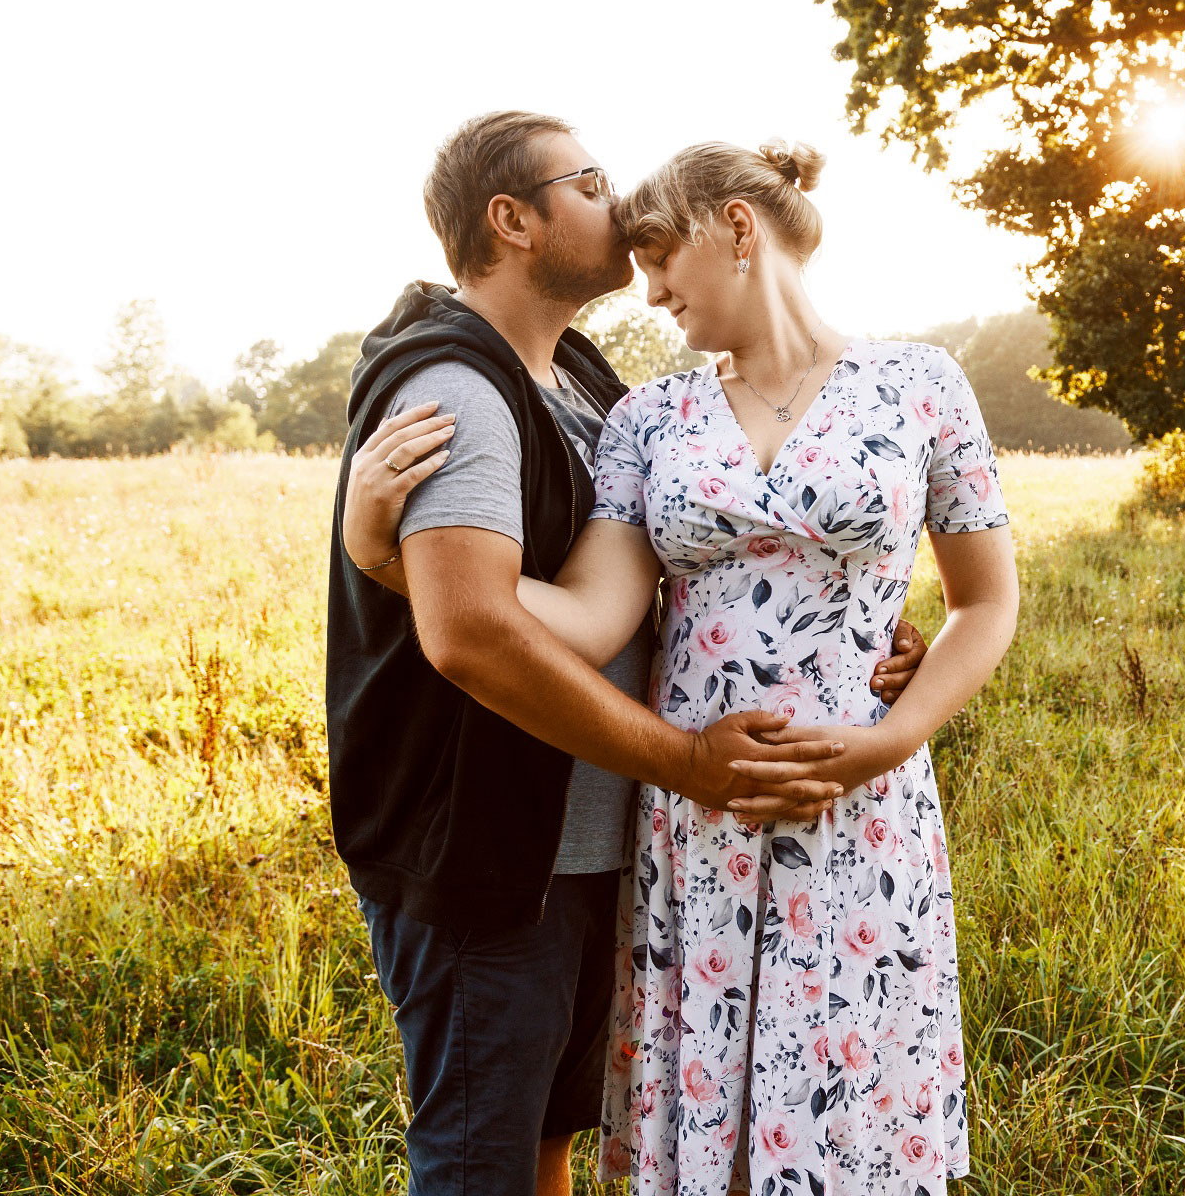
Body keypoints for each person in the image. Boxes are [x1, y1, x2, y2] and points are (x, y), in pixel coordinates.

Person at [354, 138, 1019, 1196]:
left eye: (662, 258)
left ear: (738, 231)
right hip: (692, 814)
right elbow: (585, 614)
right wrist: (389, 560)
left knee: (847, 1113)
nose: (649, 286)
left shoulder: (921, 383)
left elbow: (985, 600)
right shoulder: (647, 417)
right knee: (707, 1112)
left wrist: (889, 738)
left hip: (862, 803)